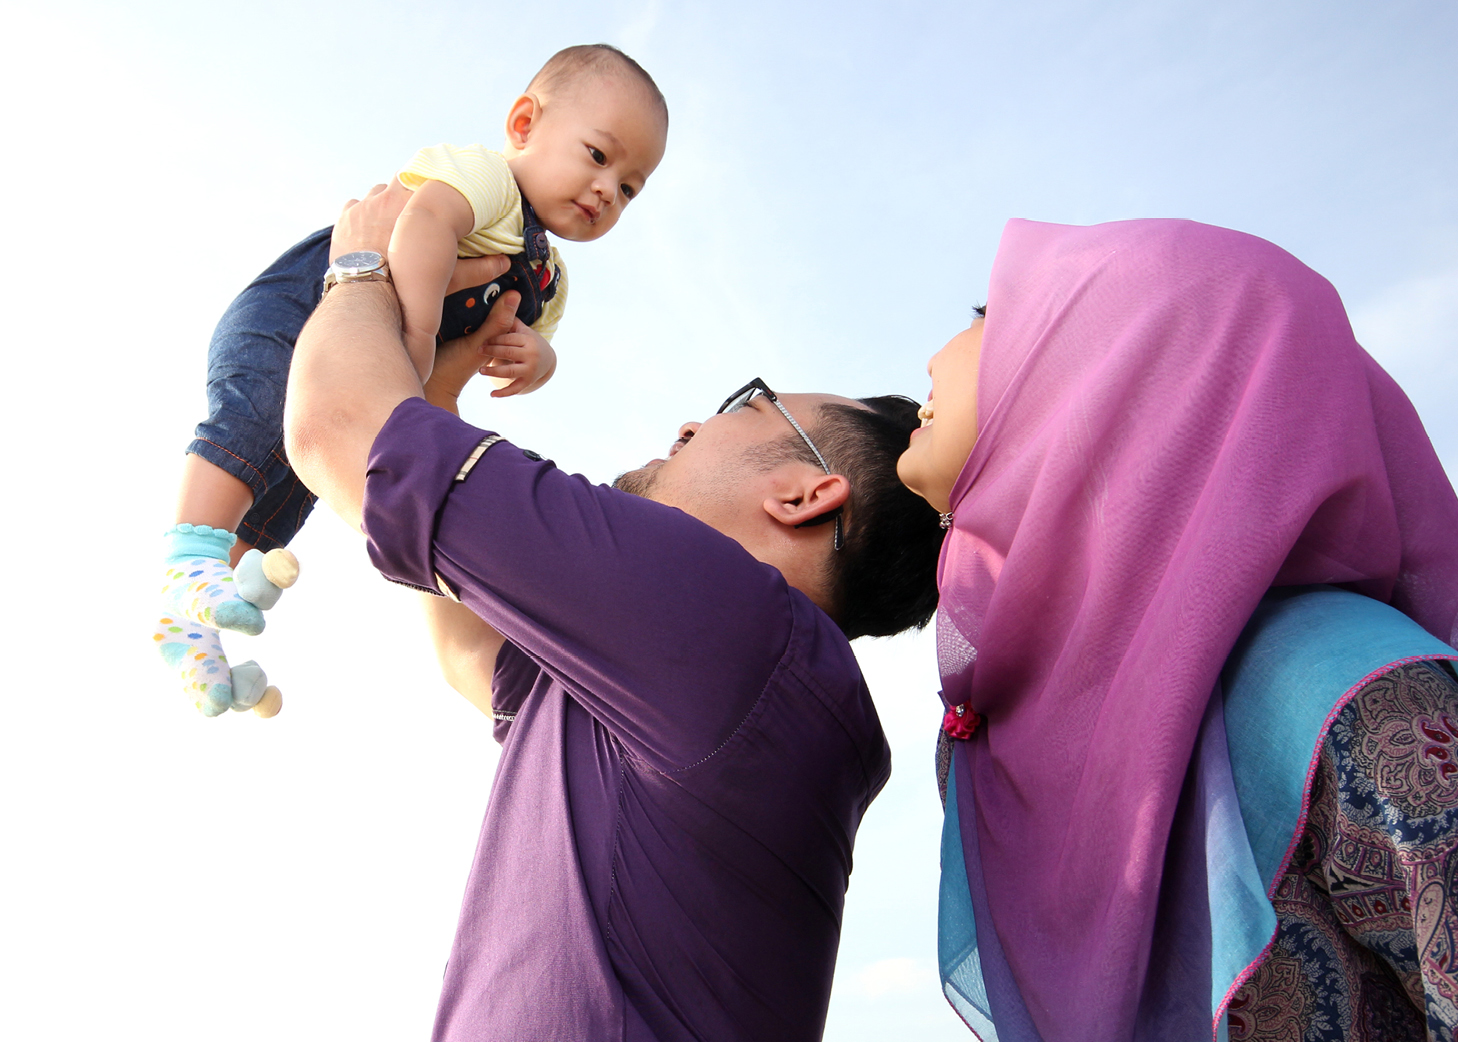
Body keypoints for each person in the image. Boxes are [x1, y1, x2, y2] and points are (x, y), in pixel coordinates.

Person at [279, 183, 947, 1041]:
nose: (690, 424)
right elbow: (470, 653)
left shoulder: (731, 618)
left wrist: (360, 267)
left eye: (745, 405)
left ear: (804, 493)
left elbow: (335, 428)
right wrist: (437, 389)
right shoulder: (732, 683)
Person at [897, 217, 1458, 1041]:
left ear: (1116, 368)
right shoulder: (1000, 737)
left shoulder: (1357, 695)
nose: (934, 358)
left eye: (993, 317)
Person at [154, 44, 668, 717]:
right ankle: (190, 552)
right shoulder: (489, 182)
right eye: (599, 156)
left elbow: (527, 338)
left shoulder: (547, 275)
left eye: (629, 187)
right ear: (524, 123)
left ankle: (200, 622)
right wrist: (417, 339)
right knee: (250, 427)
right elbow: (426, 223)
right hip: (300, 308)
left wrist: (538, 362)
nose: (608, 189)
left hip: (354, 358)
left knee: (292, 482)